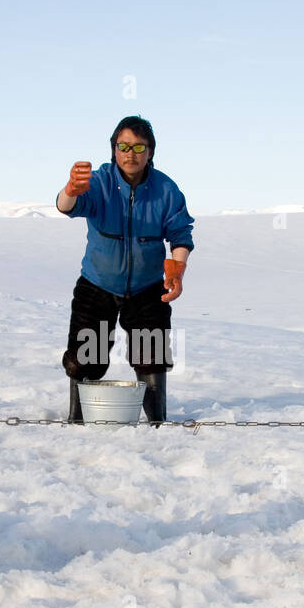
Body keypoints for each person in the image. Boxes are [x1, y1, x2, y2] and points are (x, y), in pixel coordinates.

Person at [55, 116, 194, 425]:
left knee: (151, 356)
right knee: (86, 357)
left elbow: (181, 234)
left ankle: (157, 421)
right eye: (124, 146)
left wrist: (177, 269)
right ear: (114, 150)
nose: (131, 154)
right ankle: (77, 420)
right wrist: (70, 190)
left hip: (147, 289)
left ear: (150, 152)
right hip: (97, 285)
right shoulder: (98, 182)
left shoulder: (166, 190)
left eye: (139, 147)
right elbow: (67, 207)